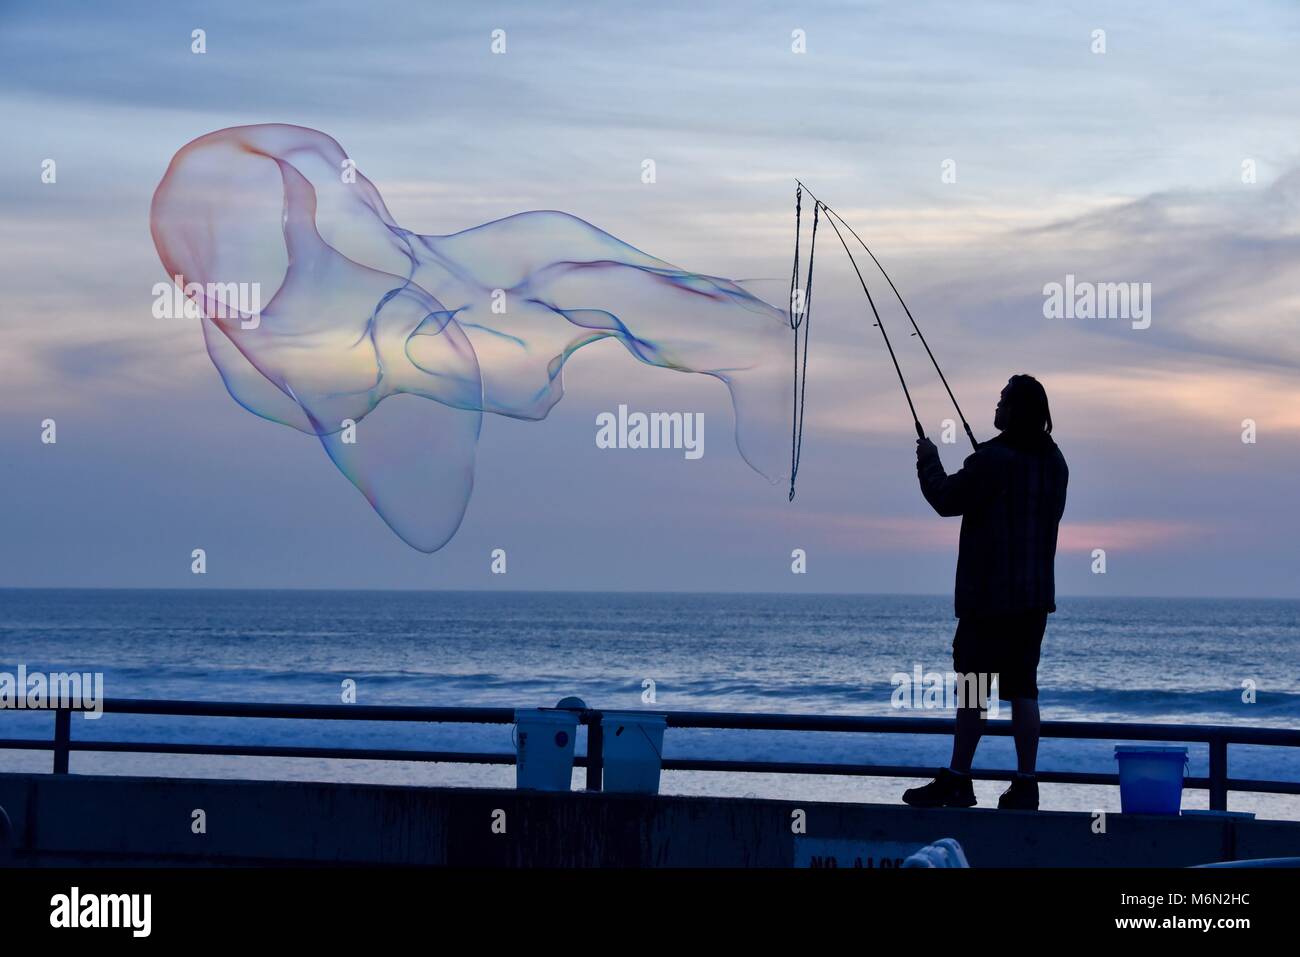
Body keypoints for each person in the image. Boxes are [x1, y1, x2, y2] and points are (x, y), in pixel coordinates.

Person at [902, 375, 1068, 810]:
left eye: (1002, 400)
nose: (996, 405)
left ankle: (959, 779)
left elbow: (943, 497)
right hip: (1033, 601)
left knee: (974, 687)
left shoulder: (991, 460)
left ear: (1015, 410)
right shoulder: (1056, 463)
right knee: (1024, 690)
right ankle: (1026, 783)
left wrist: (929, 458)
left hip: (987, 600)